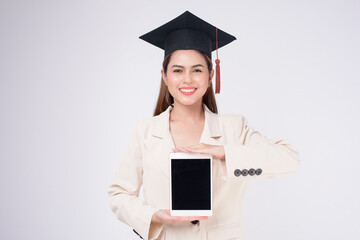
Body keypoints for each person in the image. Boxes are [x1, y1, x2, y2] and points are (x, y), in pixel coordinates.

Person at [108, 11, 300, 240]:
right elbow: (118, 194)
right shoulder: (145, 132)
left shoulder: (233, 128)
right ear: (165, 76)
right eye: (177, 70)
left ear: (210, 75)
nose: (187, 79)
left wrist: (223, 152)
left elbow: (289, 159)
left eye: (197, 70)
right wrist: (154, 216)